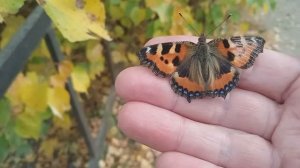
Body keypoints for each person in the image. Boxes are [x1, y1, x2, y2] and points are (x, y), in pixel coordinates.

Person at [115, 36, 300, 168]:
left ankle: (198, 87)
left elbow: (162, 57)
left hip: (193, 75)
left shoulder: (183, 48)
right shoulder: (222, 45)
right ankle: (211, 86)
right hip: (213, 73)